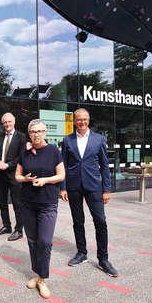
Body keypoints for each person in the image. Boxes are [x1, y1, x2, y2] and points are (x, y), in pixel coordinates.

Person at [60, 108, 118, 277]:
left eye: (85, 119)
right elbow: (63, 164)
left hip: (94, 187)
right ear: (74, 121)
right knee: (78, 221)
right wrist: (62, 187)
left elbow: (105, 165)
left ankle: (103, 259)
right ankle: (81, 252)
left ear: (89, 120)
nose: (82, 122)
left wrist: (106, 189)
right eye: (79, 119)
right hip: (74, 186)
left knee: (100, 221)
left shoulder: (99, 139)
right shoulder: (67, 140)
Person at [15, 119, 65, 299]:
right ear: (29, 133)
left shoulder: (53, 151)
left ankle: (42, 280)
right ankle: (37, 275)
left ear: (45, 132)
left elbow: (61, 175)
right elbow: (17, 176)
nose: (37, 134)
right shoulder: (25, 152)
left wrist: (45, 180)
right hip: (27, 203)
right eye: (33, 131)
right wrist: (27, 179)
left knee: (45, 241)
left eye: (40, 131)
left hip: (48, 203)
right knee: (33, 241)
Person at [0, 112, 26, 241]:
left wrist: (9, 165)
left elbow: (22, 155)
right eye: (5, 122)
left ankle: (19, 230)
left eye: (9, 122)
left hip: (14, 175)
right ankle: (6, 225)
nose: (7, 124)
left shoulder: (21, 137)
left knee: (17, 203)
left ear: (14, 121)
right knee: (2, 202)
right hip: (1, 174)